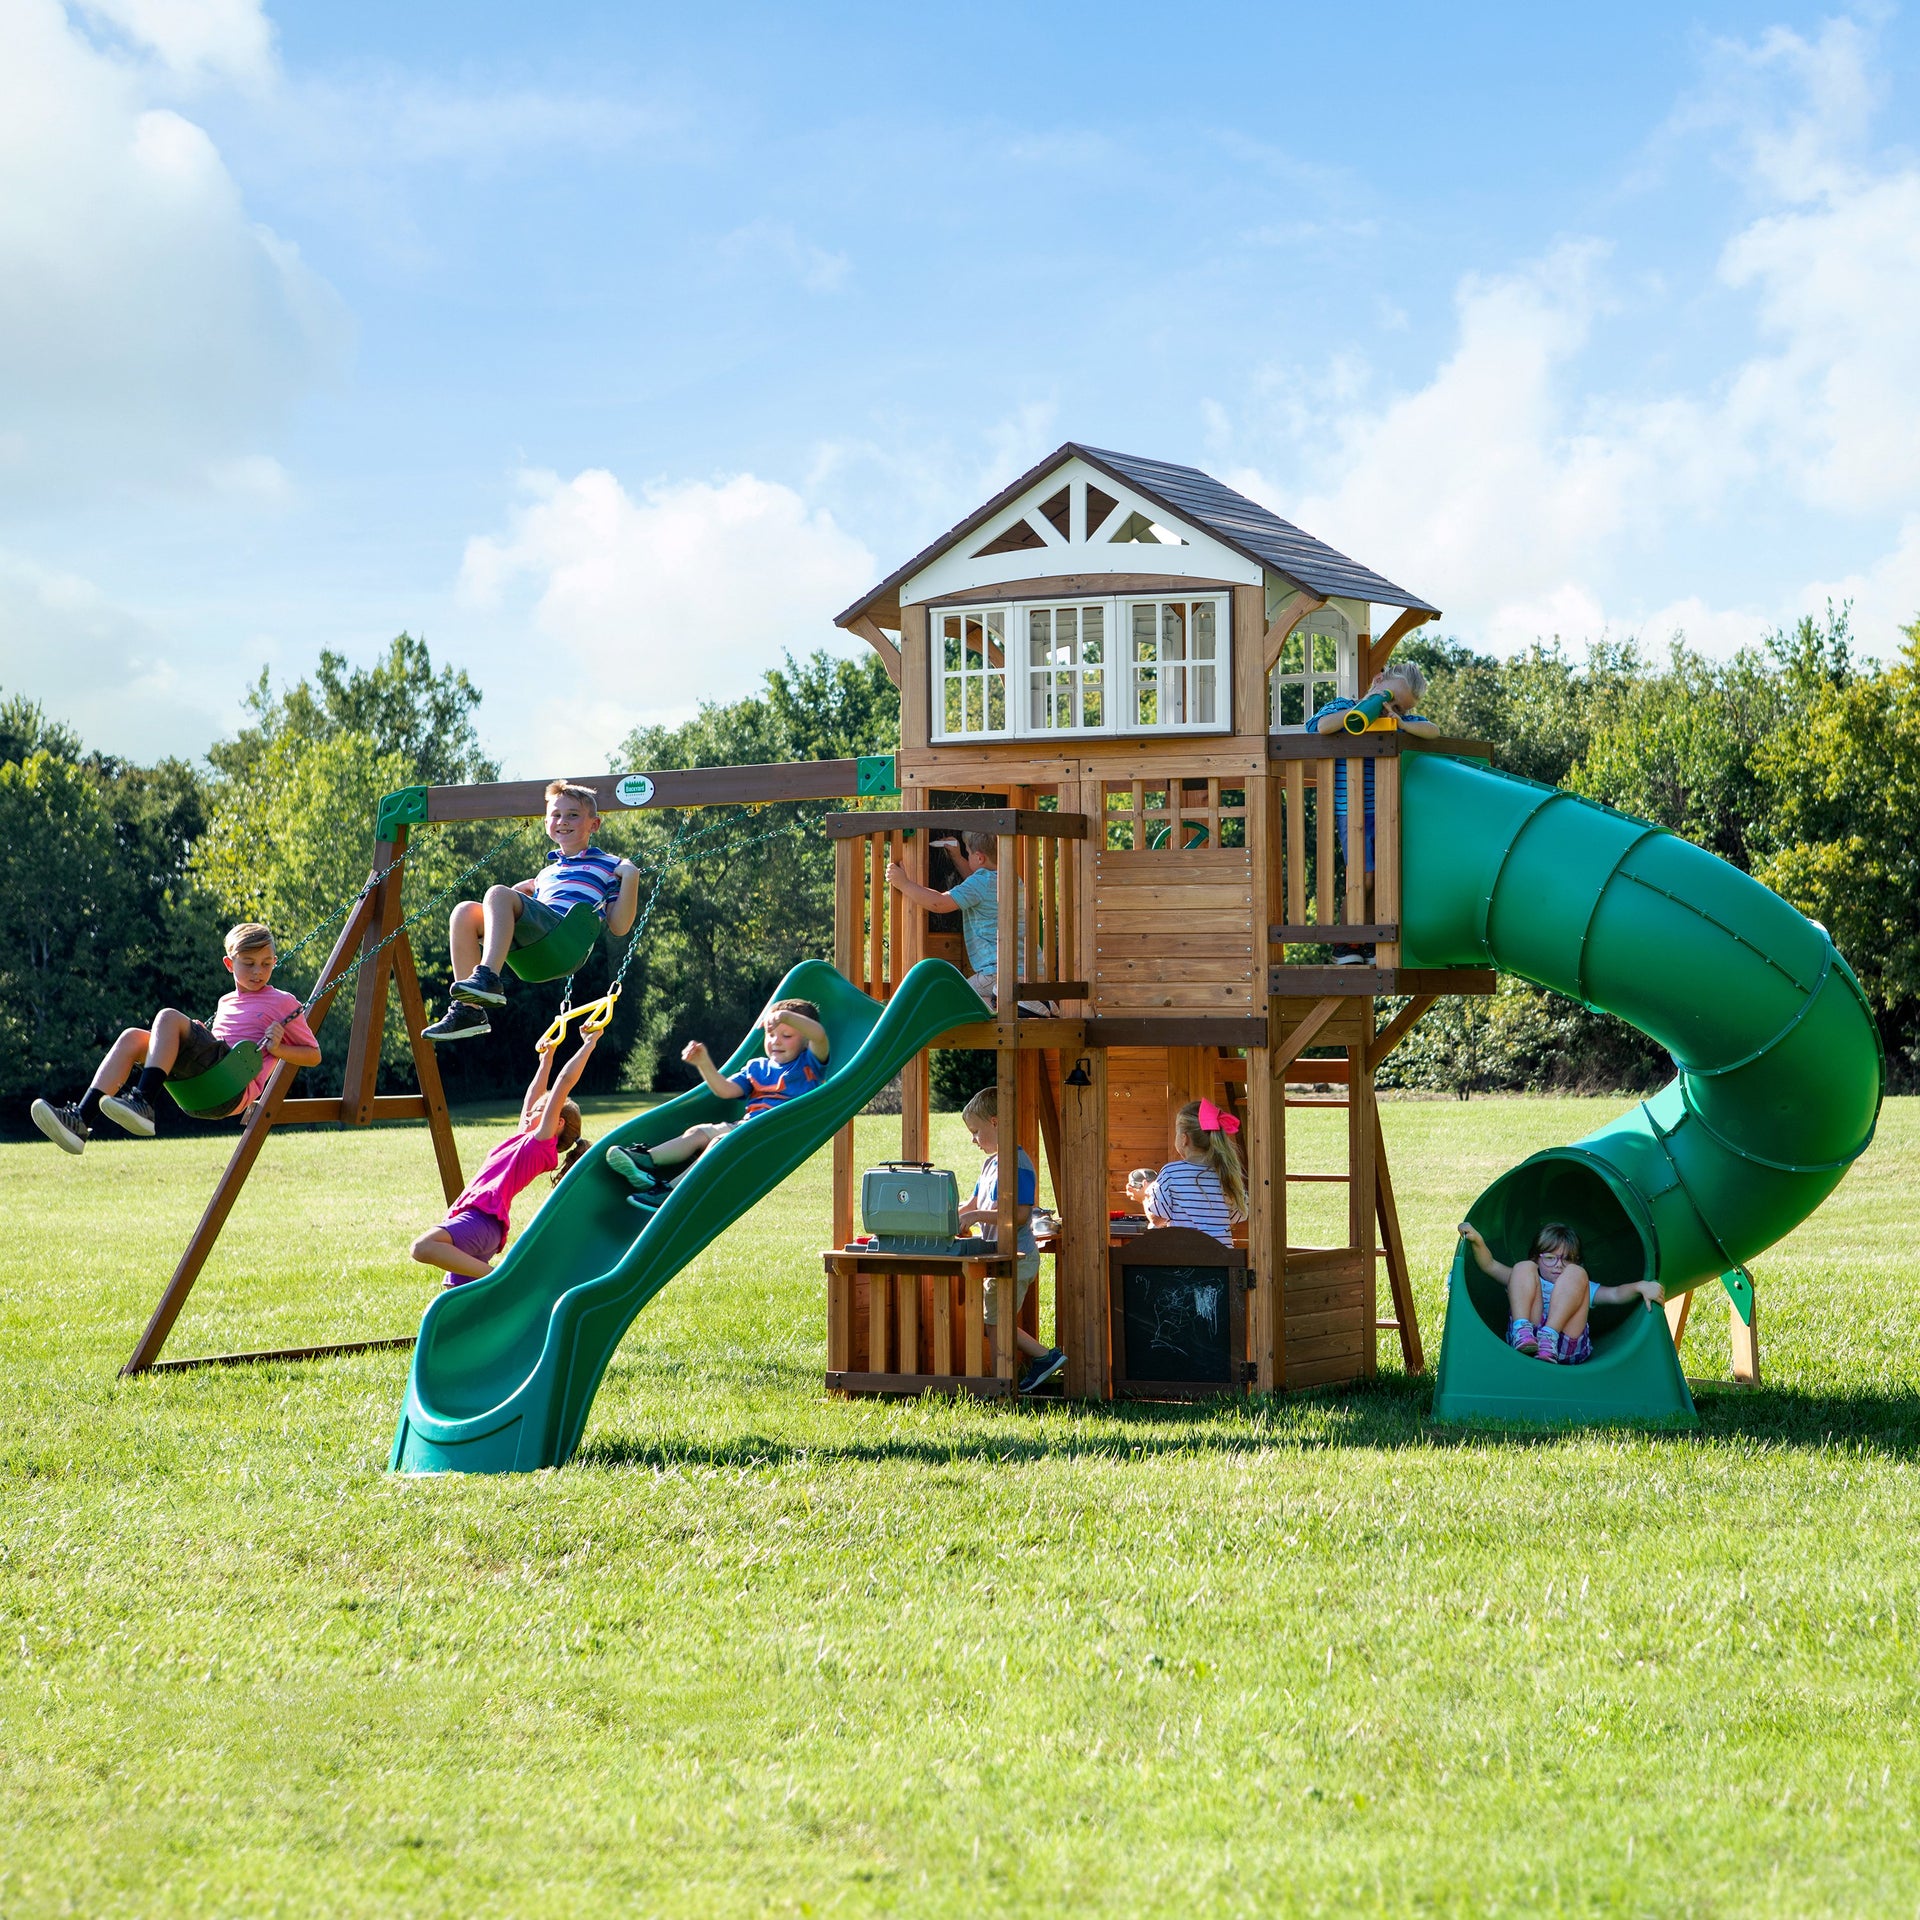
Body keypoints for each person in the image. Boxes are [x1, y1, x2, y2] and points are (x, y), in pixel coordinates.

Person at [29, 922, 323, 1152]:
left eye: (266, 962)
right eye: (249, 962)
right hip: (204, 1085)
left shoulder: (283, 1002)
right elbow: (220, 1042)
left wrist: (279, 1048)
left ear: (274, 960)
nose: (258, 971)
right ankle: (80, 1119)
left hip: (230, 1085)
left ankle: (143, 1101)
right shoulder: (225, 1002)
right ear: (229, 964)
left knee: (168, 1016)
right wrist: (201, 1034)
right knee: (133, 1037)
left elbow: (313, 1055)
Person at [425, 781, 643, 1042]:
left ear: (593, 825)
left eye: (573, 815)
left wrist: (630, 876)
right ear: (546, 823)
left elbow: (619, 926)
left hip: (563, 940)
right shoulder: (545, 874)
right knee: (464, 912)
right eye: (556, 815)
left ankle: (487, 977)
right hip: (535, 948)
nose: (563, 821)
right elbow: (521, 913)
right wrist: (515, 896)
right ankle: (468, 1012)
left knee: (497, 892)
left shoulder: (609, 865)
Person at [411, 1027, 601, 1285]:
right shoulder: (523, 1139)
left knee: (422, 1248)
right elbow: (532, 1097)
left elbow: (564, 1082)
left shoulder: (539, 1146)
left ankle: (505, 1278)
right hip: (477, 1218)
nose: (532, 1111)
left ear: (557, 1123)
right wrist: (547, 1058)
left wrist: (589, 1043)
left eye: (541, 1110)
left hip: (482, 1219)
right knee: (457, 1296)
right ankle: (494, 1289)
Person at [603, 999, 830, 1207]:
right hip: (745, 1126)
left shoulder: (808, 1064)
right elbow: (725, 1090)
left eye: (787, 1036)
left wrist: (785, 1017)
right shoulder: (757, 1067)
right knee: (698, 1132)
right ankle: (647, 1161)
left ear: (804, 1041)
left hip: (771, 1134)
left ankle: (671, 1192)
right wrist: (703, 1063)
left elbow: (819, 1034)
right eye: (771, 1035)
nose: (776, 1042)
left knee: (720, 1141)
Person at [1305, 663, 1441, 964]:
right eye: (1389, 697)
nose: (1390, 708)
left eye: (1399, 707)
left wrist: (1401, 723)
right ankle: (1346, 943)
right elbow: (1320, 726)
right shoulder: (1344, 706)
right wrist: (1365, 710)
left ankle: (1365, 939)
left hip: (1384, 811)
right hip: (1350, 810)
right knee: (1361, 878)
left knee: (1379, 877)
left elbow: (1433, 731)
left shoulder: (1398, 720)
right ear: (1378, 679)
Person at [958, 1085, 1065, 1393]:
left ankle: (1029, 1368)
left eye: (976, 1131)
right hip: (1000, 1257)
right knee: (995, 1322)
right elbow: (971, 1204)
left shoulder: (1017, 1163)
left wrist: (976, 1217)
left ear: (995, 1122)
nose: (973, 1140)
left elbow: (1019, 1214)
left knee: (996, 1323)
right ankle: (1007, 1381)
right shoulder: (990, 1163)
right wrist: (943, 1216)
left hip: (1017, 1256)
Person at [1457, 1219, 1664, 1364]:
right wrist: (1478, 1240)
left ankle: (1551, 1334)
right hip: (1527, 1343)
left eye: (1566, 1259)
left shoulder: (1576, 1283)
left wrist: (1640, 1286)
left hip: (1566, 1347)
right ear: (1537, 1257)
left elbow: (1615, 1294)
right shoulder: (1527, 1278)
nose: (1558, 1265)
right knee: (1522, 1268)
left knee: (1577, 1275)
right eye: (1550, 1257)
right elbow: (1490, 1265)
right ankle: (1522, 1329)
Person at [885, 832, 1047, 1016]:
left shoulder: (980, 883)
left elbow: (938, 903)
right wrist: (958, 856)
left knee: (955, 997)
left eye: (968, 853)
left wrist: (903, 883)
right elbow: (976, 881)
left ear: (979, 857)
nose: (967, 856)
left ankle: (1005, 1003)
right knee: (973, 999)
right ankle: (1032, 1002)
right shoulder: (1010, 878)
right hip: (1030, 973)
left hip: (997, 975)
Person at [1141, 1099, 1247, 1247]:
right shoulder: (1226, 1173)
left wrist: (1145, 1197)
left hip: (1185, 1264)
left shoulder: (1170, 1173)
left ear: (1184, 1139)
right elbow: (1236, 1216)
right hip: (1221, 1263)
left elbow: (1157, 1219)